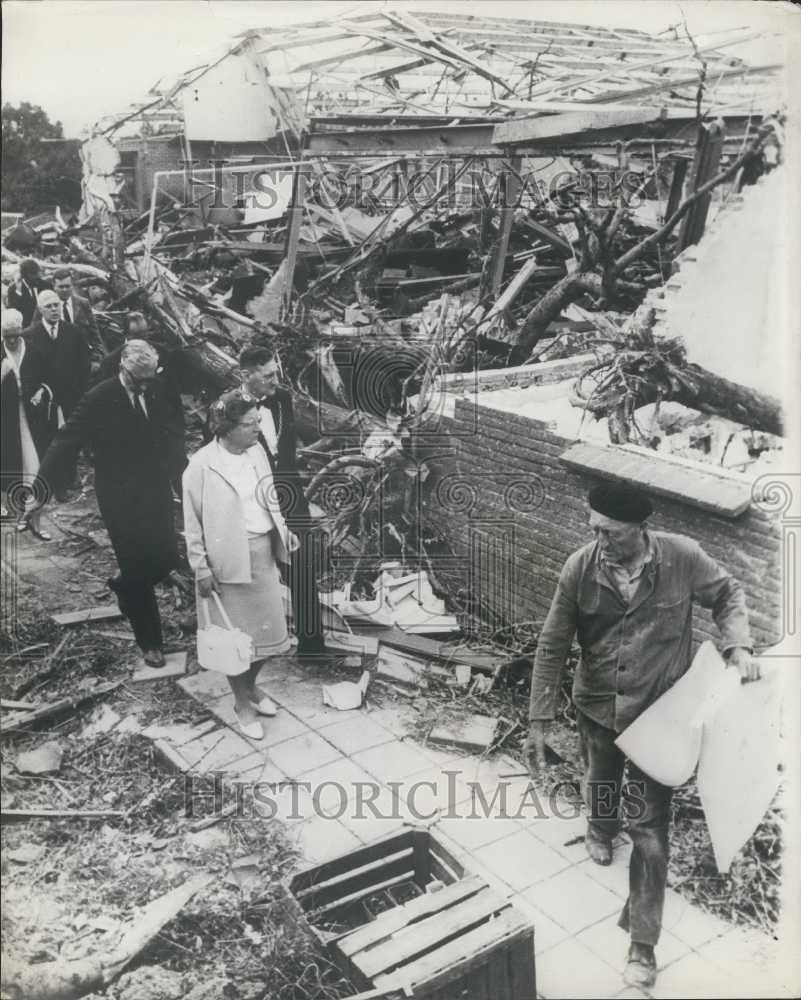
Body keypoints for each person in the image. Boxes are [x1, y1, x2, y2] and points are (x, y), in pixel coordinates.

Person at [525, 483, 758, 990]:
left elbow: (729, 594)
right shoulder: (579, 568)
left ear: (638, 529)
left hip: (661, 718)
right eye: (594, 530)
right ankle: (599, 828)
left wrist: (737, 643)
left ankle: (642, 945)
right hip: (597, 706)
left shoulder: (681, 558)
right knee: (600, 779)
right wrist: (538, 719)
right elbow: (553, 641)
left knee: (651, 835)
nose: (599, 540)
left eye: (609, 532)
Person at [34, 341, 182, 667]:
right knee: (136, 563)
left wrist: (186, 485)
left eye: (149, 378)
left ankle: (123, 587)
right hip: (119, 495)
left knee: (166, 556)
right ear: (123, 368)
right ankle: (151, 642)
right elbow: (65, 441)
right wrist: (40, 488)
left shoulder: (157, 389)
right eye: (138, 379)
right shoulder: (99, 397)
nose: (144, 385)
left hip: (155, 490)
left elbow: (172, 439)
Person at [183, 389, 298, 739]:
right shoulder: (201, 465)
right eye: (250, 424)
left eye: (258, 423)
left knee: (272, 635)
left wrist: (284, 529)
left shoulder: (257, 453)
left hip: (262, 554)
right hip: (227, 563)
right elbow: (192, 523)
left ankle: (250, 686)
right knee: (237, 642)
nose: (257, 430)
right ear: (227, 427)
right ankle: (241, 703)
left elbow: (270, 496)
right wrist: (201, 568)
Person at [238, 346, 327, 657]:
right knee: (256, 576)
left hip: (290, 498)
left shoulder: (282, 399)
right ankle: (257, 648)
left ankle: (312, 647)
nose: (275, 381)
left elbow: (285, 452)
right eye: (268, 376)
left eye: (276, 374)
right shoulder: (227, 408)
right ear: (246, 376)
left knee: (302, 570)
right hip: (254, 504)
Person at [1, 309, 56, 537]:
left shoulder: (33, 350)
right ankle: (16, 510)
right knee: (11, 463)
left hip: (33, 418)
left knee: (35, 464)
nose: (12, 340)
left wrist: (42, 392)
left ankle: (34, 517)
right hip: (7, 419)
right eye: (7, 336)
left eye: (15, 334)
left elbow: (50, 378)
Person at [25, 289, 90, 423]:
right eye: (48, 306)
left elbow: (84, 365)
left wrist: (79, 391)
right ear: (40, 309)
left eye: (56, 305)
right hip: (45, 401)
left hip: (72, 397)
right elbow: (29, 372)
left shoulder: (74, 331)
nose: (54, 309)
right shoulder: (30, 335)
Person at [7, 259, 47, 327]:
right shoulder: (13, 290)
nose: (37, 276)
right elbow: (14, 313)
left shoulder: (45, 285)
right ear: (24, 276)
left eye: (37, 272)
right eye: (33, 274)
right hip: (26, 328)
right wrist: (19, 292)